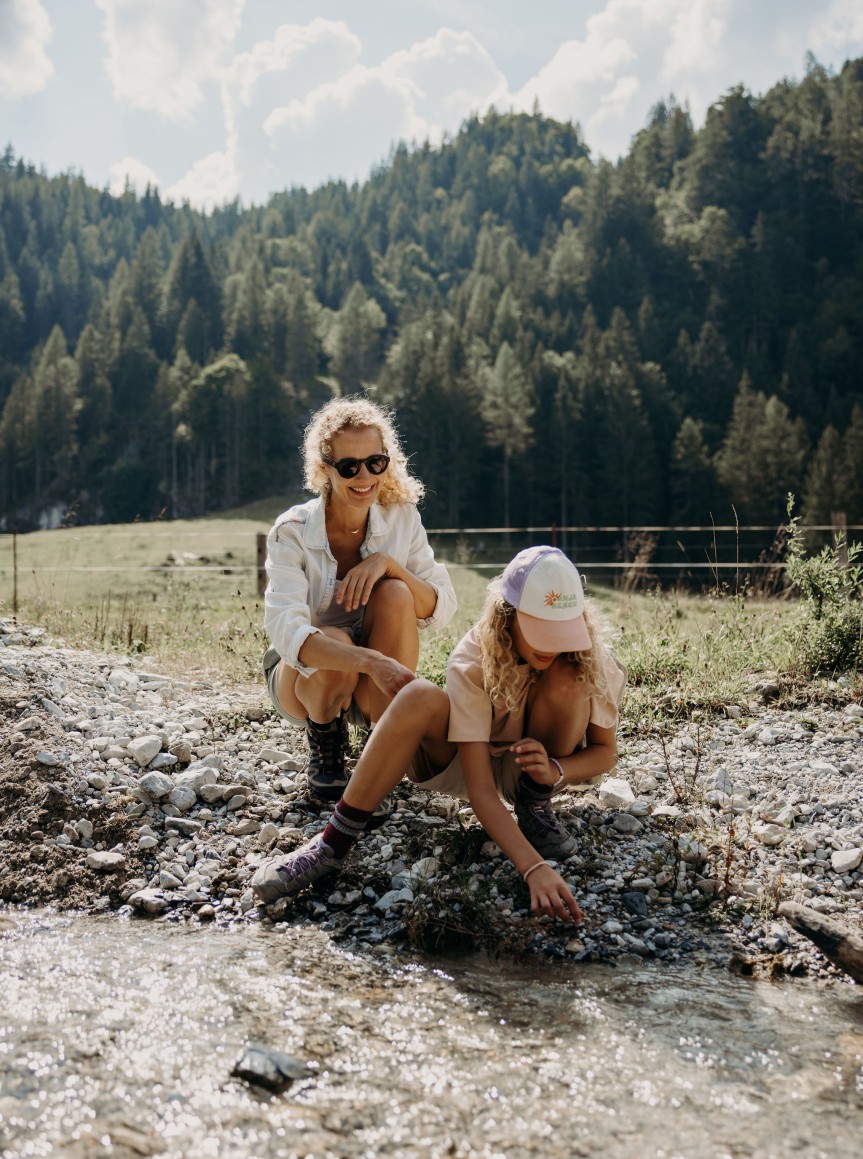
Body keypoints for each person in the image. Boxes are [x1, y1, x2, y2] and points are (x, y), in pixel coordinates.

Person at [253, 546, 625, 924]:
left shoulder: (588, 658)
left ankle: (534, 804)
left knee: (568, 679)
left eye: (561, 632)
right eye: (540, 633)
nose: (552, 646)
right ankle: (331, 845)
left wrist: (555, 771)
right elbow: (479, 788)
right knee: (418, 697)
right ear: (508, 617)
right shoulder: (476, 655)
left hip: (538, 769)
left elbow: (605, 752)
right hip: (465, 763)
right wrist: (532, 867)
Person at [262, 396, 456, 804]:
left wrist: (388, 565)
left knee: (397, 592)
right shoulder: (291, 532)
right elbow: (289, 635)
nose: (364, 476)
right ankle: (327, 746)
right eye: (349, 467)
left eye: (375, 463)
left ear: (388, 461)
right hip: (305, 684)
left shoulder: (402, 516)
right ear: (324, 471)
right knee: (334, 639)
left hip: (375, 683)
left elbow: (441, 605)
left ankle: (377, 747)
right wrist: (372, 662)